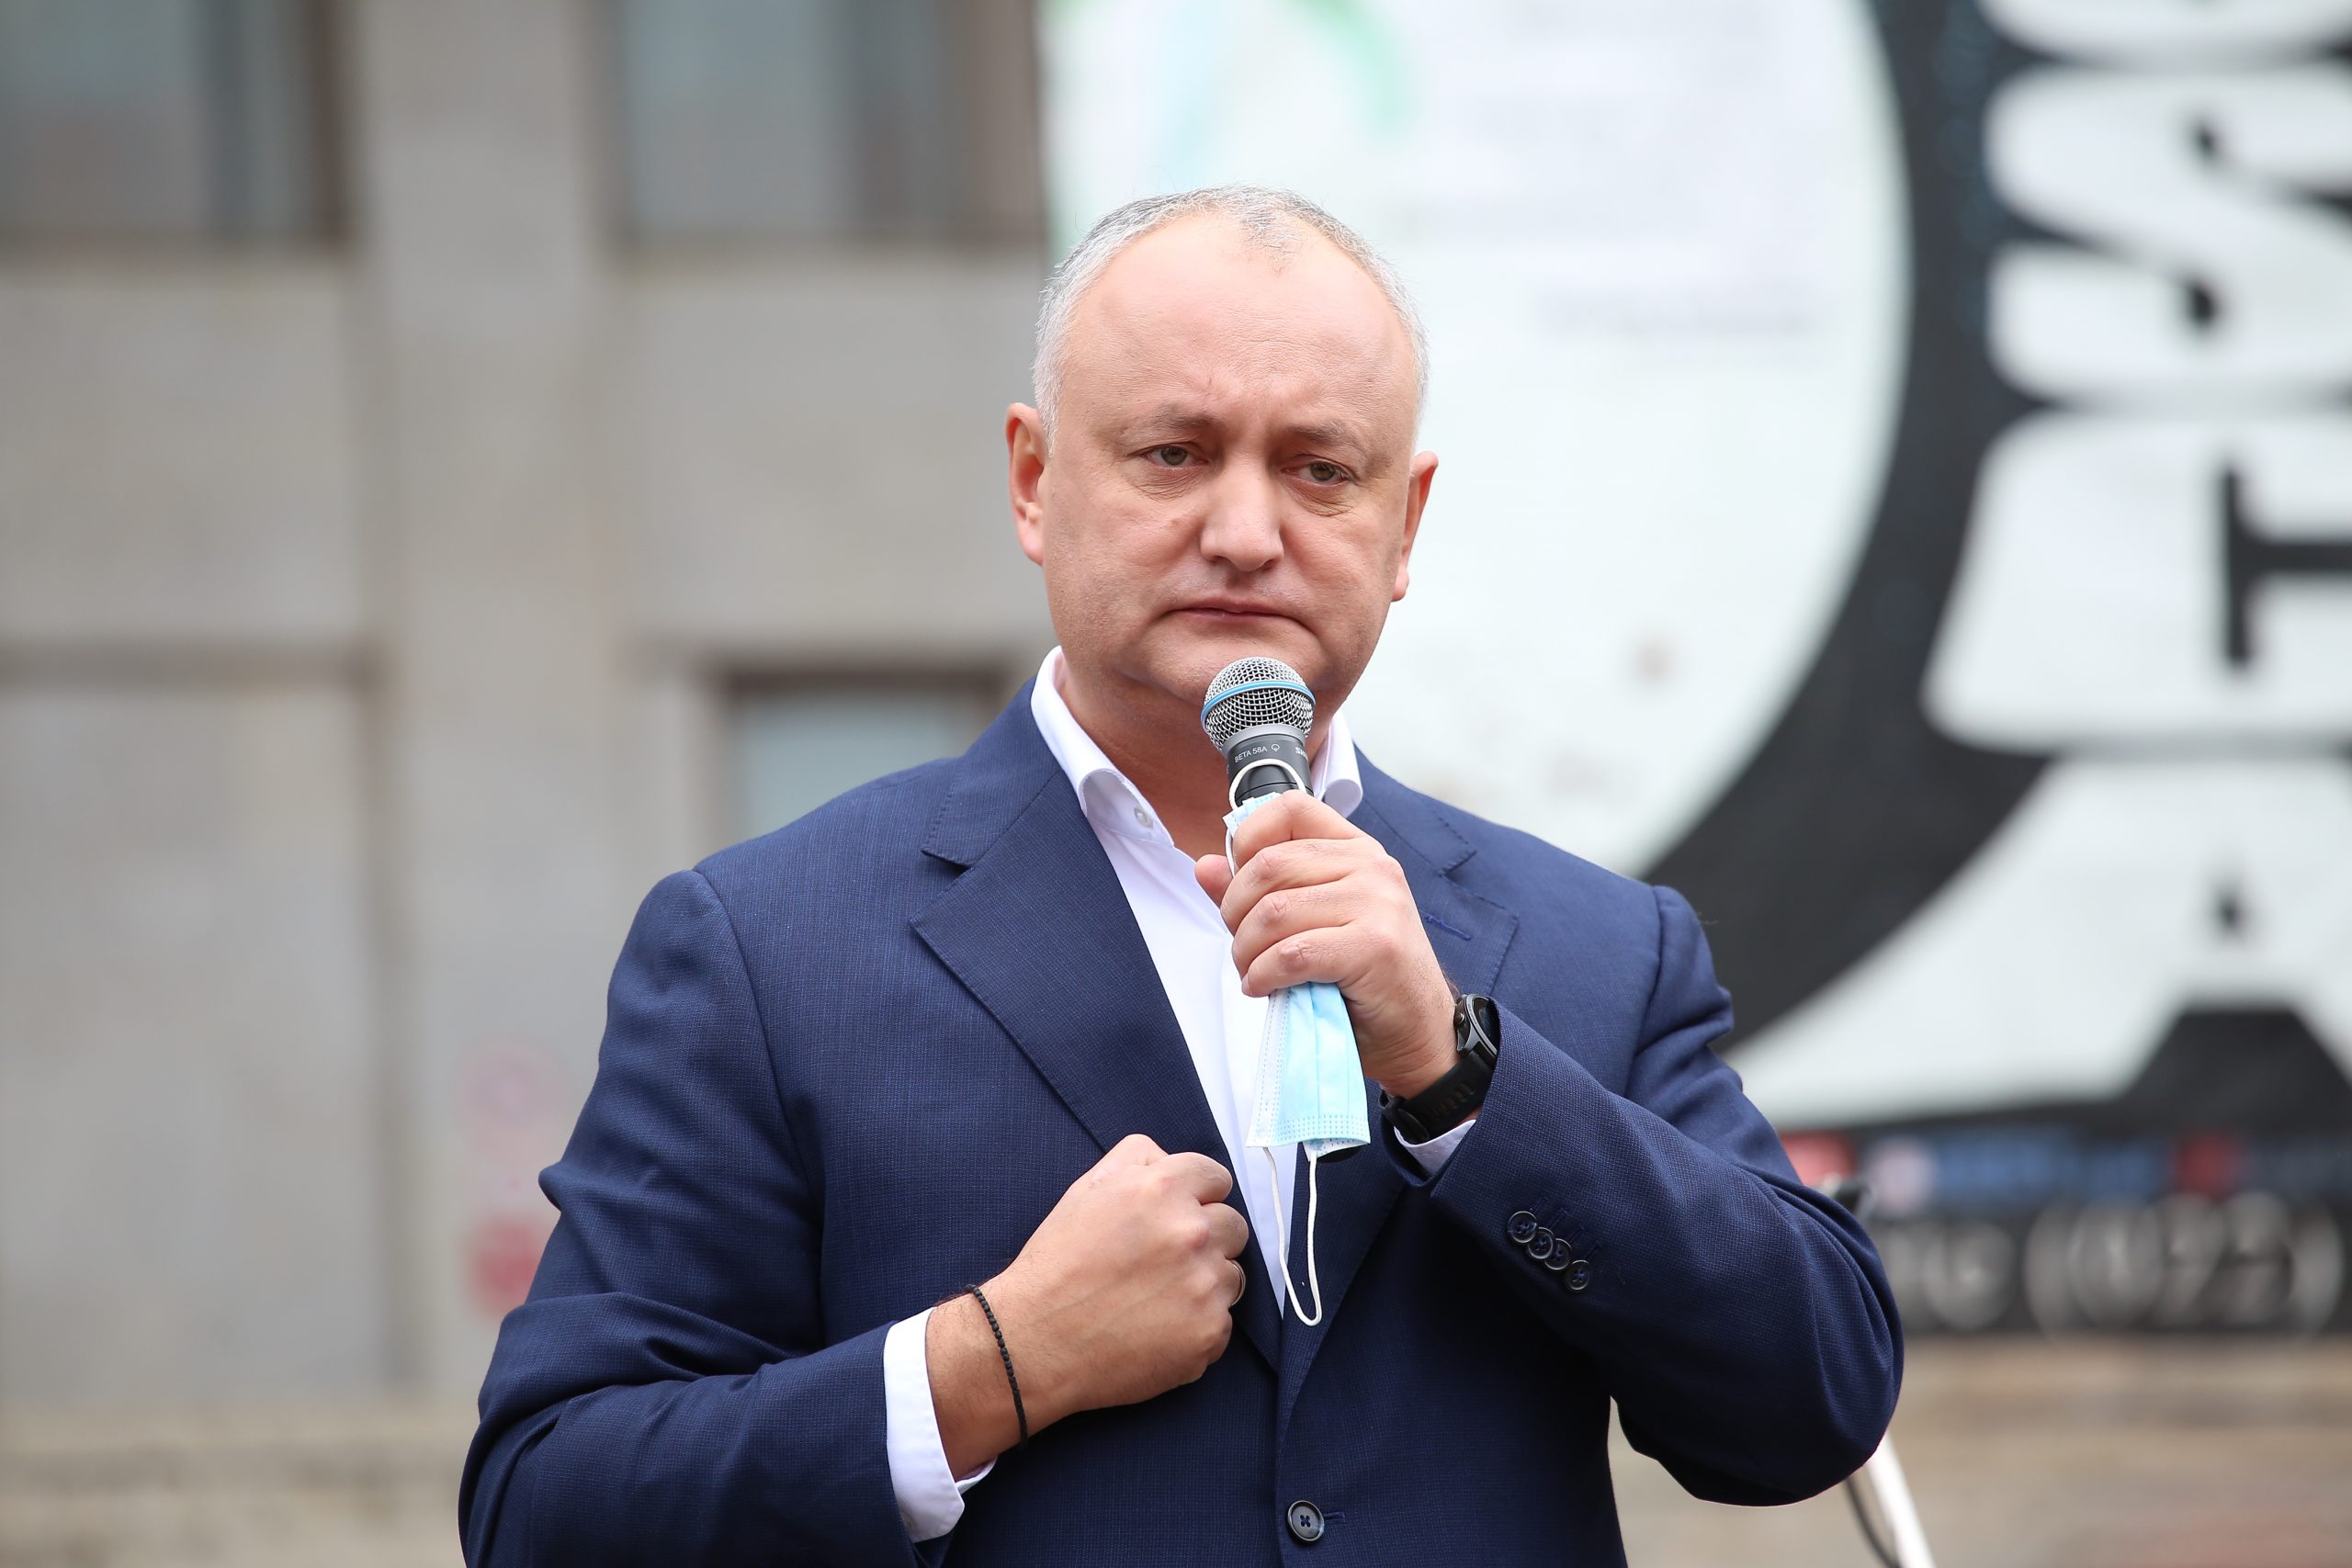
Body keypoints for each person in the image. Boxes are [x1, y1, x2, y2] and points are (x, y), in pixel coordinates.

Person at [458, 186, 1901, 1566]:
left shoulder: (1594, 945)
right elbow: (549, 1505)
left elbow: (1815, 1400)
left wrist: (1461, 1078)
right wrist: (992, 1365)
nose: (1247, 533)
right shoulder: (773, 950)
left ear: (1403, 527)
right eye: (1174, 454)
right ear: (1035, 482)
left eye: (1321, 470)